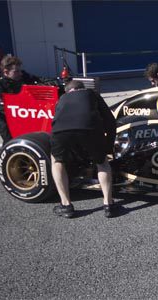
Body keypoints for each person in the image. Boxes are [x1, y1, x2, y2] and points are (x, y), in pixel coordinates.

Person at [51, 80, 118, 218]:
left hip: (60, 131)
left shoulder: (62, 99)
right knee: (102, 162)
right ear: (82, 88)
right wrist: (108, 147)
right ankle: (108, 204)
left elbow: (56, 120)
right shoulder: (92, 94)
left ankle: (66, 205)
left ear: (68, 91)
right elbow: (110, 121)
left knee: (57, 161)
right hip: (90, 128)